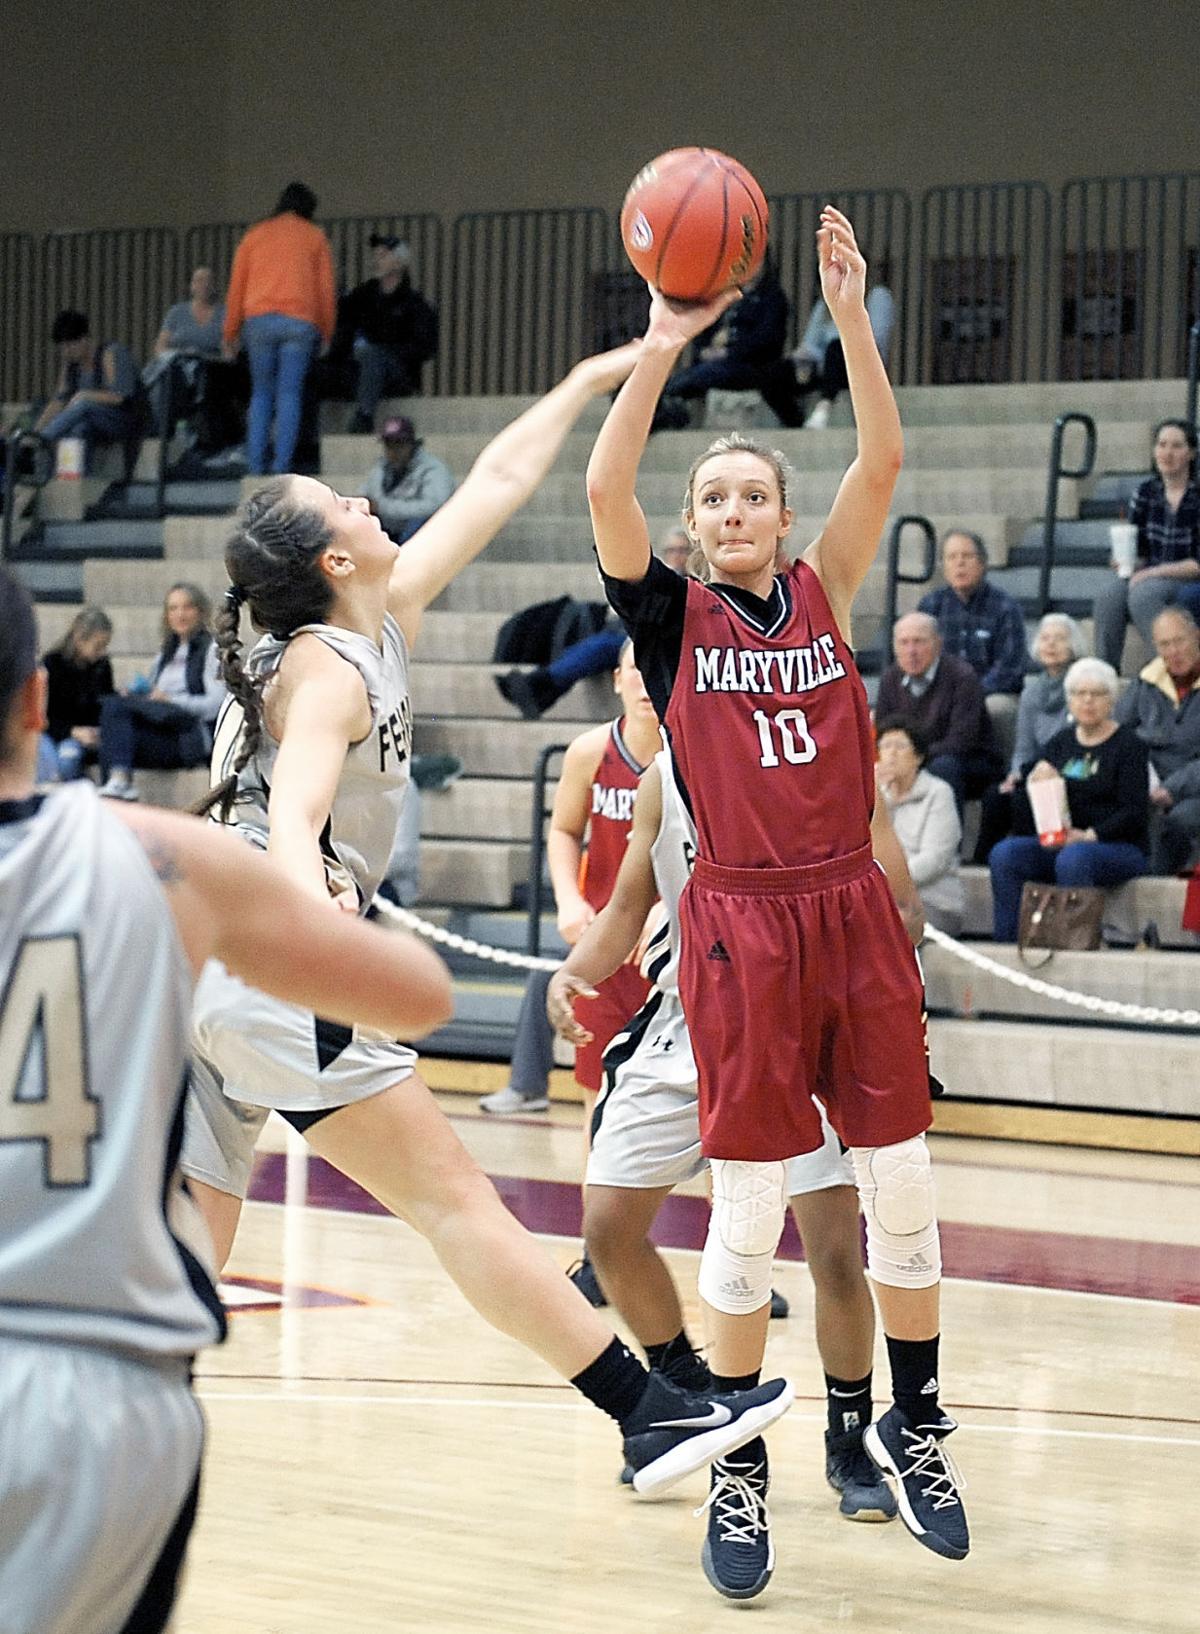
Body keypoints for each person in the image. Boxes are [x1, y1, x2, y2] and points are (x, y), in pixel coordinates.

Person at [180, 342, 794, 1502]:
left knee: (188, 1252)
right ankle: (647, 1413)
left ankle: (71, 1431)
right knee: (454, 1200)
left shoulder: (371, 617)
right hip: (271, 961)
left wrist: (602, 372)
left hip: (213, 965)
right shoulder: (328, 671)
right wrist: (322, 933)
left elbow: (501, 479)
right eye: (342, 502)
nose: (365, 498)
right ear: (333, 557)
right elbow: (293, 814)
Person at [586, 206, 969, 1565]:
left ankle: (914, 1423)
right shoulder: (669, 619)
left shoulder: (827, 587)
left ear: (784, 518)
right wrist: (660, 345)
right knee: (747, 1213)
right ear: (693, 529)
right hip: (741, 923)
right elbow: (605, 492)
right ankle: (738, 1468)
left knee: (900, 1181)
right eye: (714, 500)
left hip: (848, 905)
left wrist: (852, 317)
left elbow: (883, 455)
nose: (735, 511)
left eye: (754, 495)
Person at [0, 565, 457, 1634]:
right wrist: (323, 897)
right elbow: (422, 995)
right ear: (35, 698)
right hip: (95, 1387)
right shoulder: (153, 853)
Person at [549, 749, 924, 1598]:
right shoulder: (667, 777)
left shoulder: (828, 760)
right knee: (608, 1228)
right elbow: (627, 906)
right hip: (688, 1018)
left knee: (834, 1252)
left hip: (802, 1020)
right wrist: (574, 972)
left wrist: (874, 983)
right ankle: (690, 1399)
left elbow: (904, 905)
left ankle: (849, 1436)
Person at [482, 643, 657, 1124]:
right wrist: (568, 899)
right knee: (599, 1098)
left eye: (655, 668)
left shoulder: (695, 754)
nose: (645, 681)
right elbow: (563, 830)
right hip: (606, 946)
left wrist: (674, 910)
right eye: (634, 670)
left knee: (694, 1100)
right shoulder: (589, 751)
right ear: (617, 680)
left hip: (674, 951)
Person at [988, 658, 1149, 941]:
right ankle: (1010, 942)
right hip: (1064, 842)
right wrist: (1035, 776)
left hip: (1116, 845)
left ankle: (1074, 944)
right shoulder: (1061, 742)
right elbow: (1028, 781)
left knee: (1074, 858)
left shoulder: (1129, 745)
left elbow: (1134, 812)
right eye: (1079, 693)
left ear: (1111, 700)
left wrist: (1089, 836)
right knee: (1005, 854)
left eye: (1097, 694)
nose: (1087, 701)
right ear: (1069, 700)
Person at [495, 527, 687, 719]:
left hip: (660, 637)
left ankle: (542, 686)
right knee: (595, 641)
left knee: (602, 646)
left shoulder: (690, 581)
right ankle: (543, 688)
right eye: (671, 550)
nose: (676, 555)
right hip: (631, 629)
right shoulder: (655, 573)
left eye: (682, 550)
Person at [223, 182, 335, 476]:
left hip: (259, 320)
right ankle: (282, 466)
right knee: (289, 394)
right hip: (299, 321)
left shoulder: (255, 234)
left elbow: (237, 285)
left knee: (261, 394)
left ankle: (255, 466)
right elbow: (325, 289)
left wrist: (230, 331)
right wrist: (327, 330)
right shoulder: (314, 236)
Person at [975, 612, 1086, 863]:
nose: (1051, 644)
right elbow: (1024, 747)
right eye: (1045, 638)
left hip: (1071, 768)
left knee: (1024, 798)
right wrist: (1015, 774)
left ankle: (1031, 857)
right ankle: (982, 861)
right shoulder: (1032, 691)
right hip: (1035, 768)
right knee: (996, 795)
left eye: (1060, 638)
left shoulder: (1082, 687)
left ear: (1073, 645)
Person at [97, 583, 224, 799]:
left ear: (200, 611)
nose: (180, 614)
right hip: (160, 728)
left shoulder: (211, 651)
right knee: (112, 707)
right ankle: (116, 784)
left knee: (116, 716)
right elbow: (153, 699)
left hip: (188, 736)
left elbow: (216, 704)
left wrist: (171, 699)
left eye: (187, 607)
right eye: (173, 608)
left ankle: (119, 781)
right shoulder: (165, 654)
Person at [1092, 420, 1200, 671]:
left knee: (1144, 594)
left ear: (1191, 454)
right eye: (1162, 445)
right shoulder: (1145, 492)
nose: (1167, 453)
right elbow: (1138, 549)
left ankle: (1165, 671)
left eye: (1176, 446)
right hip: (1150, 573)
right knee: (1109, 597)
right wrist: (1124, 560)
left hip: (1186, 575)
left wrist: (1151, 573)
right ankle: (1104, 673)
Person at [654, 254, 804, 429]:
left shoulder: (772, 297)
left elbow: (767, 339)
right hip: (717, 363)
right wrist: (705, 350)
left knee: (701, 375)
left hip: (751, 365)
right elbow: (704, 331)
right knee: (679, 380)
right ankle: (663, 415)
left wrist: (729, 352)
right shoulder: (726, 296)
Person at [918, 529, 1027, 763]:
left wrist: (967, 694)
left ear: (982, 563)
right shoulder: (930, 606)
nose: (960, 563)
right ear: (943, 566)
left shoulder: (1006, 607)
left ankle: (1004, 773)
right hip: (940, 692)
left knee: (997, 708)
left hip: (989, 693)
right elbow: (917, 658)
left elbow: (1010, 669)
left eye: (967, 556)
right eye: (952, 557)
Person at [876, 610, 1001, 810]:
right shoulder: (890, 678)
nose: (911, 651)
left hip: (969, 761)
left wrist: (912, 758)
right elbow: (884, 730)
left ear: (938, 644)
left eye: (919, 642)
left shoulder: (962, 677)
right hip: (913, 757)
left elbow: (962, 740)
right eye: (904, 643)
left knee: (943, 767)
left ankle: (944, 830)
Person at [1115, 606, 1200, 874]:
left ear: (1196, 636)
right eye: (1164, 644)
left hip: (1192, 788)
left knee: (1180, 819)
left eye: (1179, 641)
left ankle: (1156, 880)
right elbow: (1118, 733)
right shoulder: (1145, 681)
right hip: (1146, 781)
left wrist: (1172, 788)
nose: (1173, 651)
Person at [875, 717, 965, 937]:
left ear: (918, 757)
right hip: (883, 896)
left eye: (900, 746)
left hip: (935, 900)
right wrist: (877, 796)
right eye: (886, 746)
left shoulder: (938, 793)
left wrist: (888, 883)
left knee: (883, 922)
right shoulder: (877, 796)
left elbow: (935, 860)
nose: (891, 754)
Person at [340, 235, 439, 432]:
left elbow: (425, 348)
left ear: (399, 263)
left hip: (398, 375)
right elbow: (343, 330)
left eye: (383, 255)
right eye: (375, 255)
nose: (376, 260)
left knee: (372, 354)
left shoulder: (414, 304)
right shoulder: (361, 297)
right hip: (359, 369)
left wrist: (388, 352)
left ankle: (364, 416)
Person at [147, 267, 245, 459]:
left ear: (215, 286)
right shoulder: (176, 313)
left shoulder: (224, 314)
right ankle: (162, 437)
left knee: (210, 381)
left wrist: (224, 352)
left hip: (212, 370)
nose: (203, 285)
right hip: (179, 367)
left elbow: (230, 351)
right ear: (191, 286)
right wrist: (177, 354)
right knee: (165, 382)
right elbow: (160, 347)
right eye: (198, 280)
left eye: (208, 281)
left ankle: (209, 444)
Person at [33, 310, 140, 469]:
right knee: (79, 429)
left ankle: (43, 440)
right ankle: (73, 478)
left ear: (84, 339)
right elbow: (58, 401)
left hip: (124, 420)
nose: (66, 352)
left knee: (83, 405)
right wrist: (35, 431)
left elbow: (120, 396)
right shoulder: (71, 365)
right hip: (93, 422)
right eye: (62, 348)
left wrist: (85, 395)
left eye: (69, 346)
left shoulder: (111, 353)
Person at [789, 276, 895, 428]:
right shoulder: (825, 304)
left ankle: (824, 405)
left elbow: (876, 340)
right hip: (827, 365)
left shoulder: (877, 295)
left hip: (864, 366)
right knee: (777, 371)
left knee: (836, 347)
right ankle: (794, 422)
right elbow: (811, 344)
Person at [41, 605, 114, 780]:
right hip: (54, 732)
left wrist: (96, 732)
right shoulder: (52, 664)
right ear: (79, 639)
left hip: (87, 735)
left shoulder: (102, 666)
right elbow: (43, 717)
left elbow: (104, 704)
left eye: (105, 646)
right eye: (98, 646)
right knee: (54, 763)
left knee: (69, 759)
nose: (102, 652)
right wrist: (73, 731)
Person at [361, 415, 455, 544]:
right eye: (389, 445)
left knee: (420, 522)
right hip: (391, 529)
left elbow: (435, 506)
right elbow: (367, 495)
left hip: (424, 532)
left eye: (399, 444)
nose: (394, 451)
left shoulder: (433, 469)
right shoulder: (382, 467)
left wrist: (383, 507)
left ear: (412, 444)